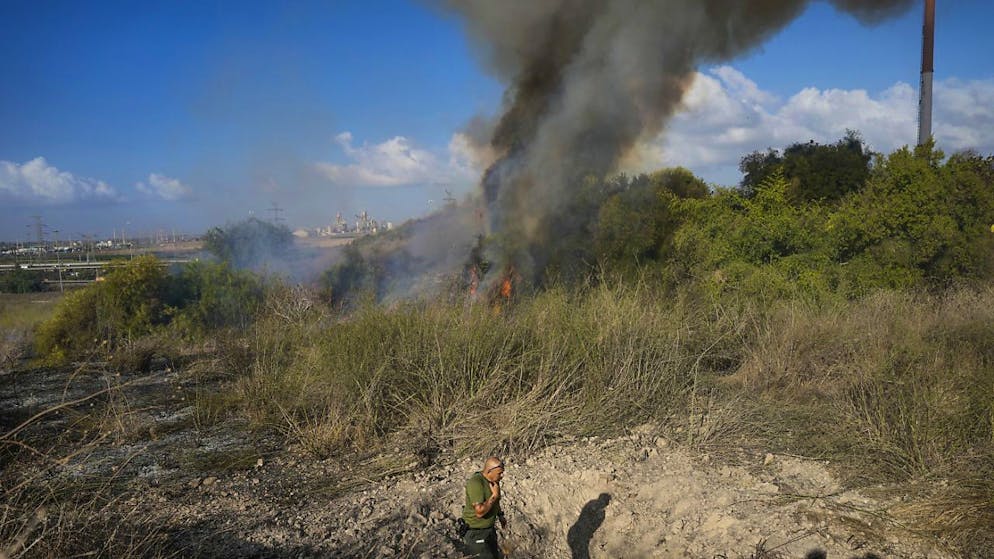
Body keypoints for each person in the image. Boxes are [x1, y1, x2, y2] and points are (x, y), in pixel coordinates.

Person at [462, 456, 507, 559]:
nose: (502, 476)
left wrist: (500, 516)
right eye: (499, 473)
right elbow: (479, 512)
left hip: (489, 530)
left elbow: (495, 502)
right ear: (489, 471)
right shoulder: (476, 483)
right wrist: (494, 495)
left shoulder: (493, 482)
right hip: (476, 532)